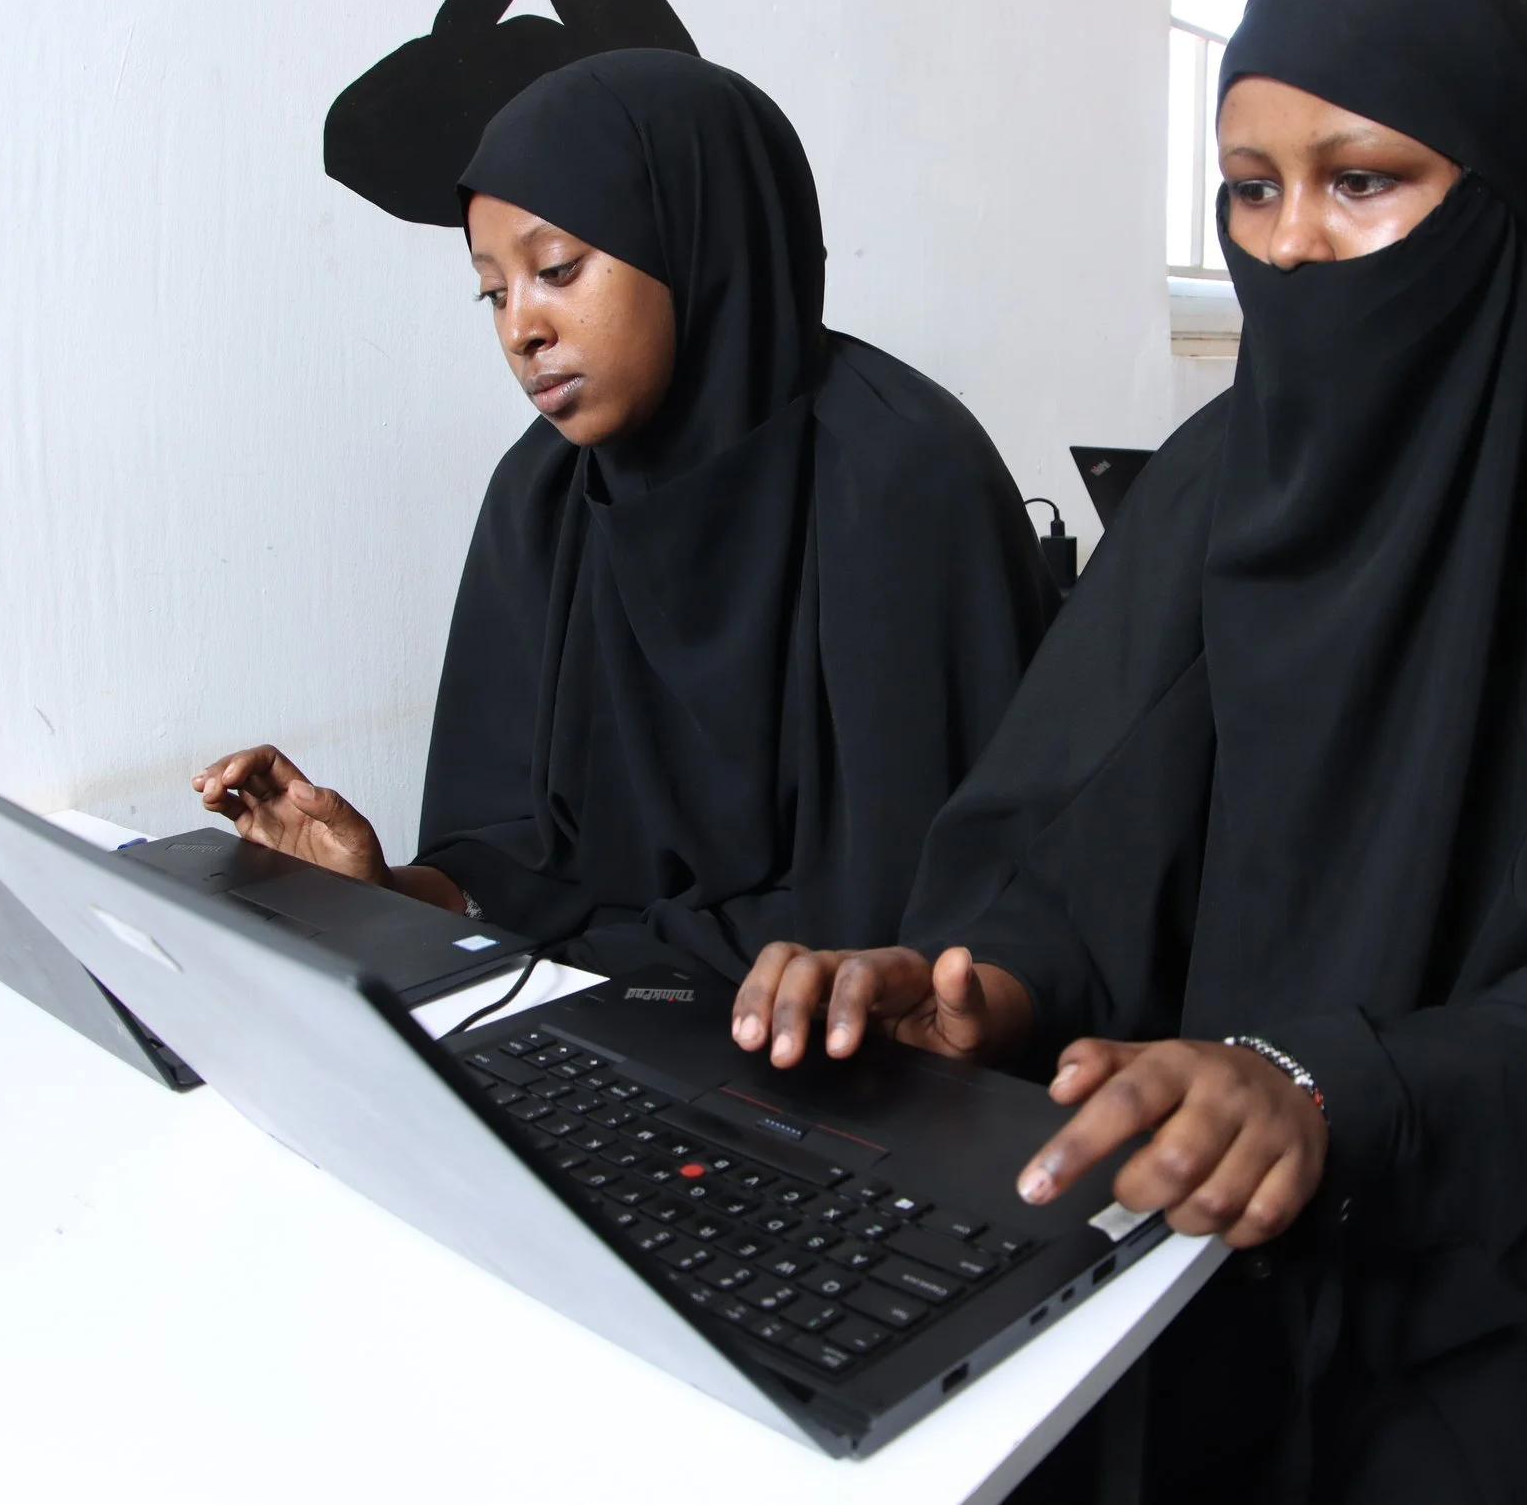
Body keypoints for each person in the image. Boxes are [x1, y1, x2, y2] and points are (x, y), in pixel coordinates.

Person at [732, 0, 1527, 1503]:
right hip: (1192, 1194)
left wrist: (1331, 1090)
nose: (1292, 244)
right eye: (1249, 187)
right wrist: (984, 984)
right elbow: (1082, 821)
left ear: (1494, 195)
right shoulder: (1218, 478)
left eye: (1361, 180)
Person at [192, 51, 1056, 978]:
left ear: (699, 240)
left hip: (853, 1064)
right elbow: (519, 859)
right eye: (493, 290)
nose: (520, 326)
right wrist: (392, 894)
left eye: (557, 267)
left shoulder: (902, 478)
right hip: (601, 1027)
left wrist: (581, 968)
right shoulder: (542, 494)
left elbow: (907, 922)